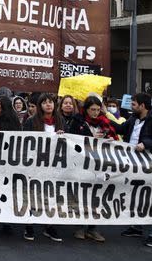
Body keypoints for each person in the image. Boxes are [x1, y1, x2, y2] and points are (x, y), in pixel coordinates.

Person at [120, 93, 152, 247]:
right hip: (135, 165)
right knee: (137, 196)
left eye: (134, 104)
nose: (131, 106)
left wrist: (146, 144)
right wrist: (102, 115)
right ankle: (137, 227)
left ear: (142, 106)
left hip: (151, 166)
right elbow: (120, 129)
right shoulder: (134, 119)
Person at [69, 96, 120, 243]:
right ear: (86, 109)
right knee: (82, 195)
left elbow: (115, 138)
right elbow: (72, 140)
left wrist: (109, 140)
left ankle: (92, 228)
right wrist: (91, 137)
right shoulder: (78, 121)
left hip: (100, 166)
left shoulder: (105, 123)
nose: (95, 113)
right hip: (82, 165)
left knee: (96, 196)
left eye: (98, 110)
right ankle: (80, 226)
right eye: (92, 109)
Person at [22, 93, 63, 242]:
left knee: (50, 195)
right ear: (40, 106)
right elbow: (24, 142)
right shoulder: (31, 122)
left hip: (53, 165)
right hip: (35, 165)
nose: (48, 105)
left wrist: (62, 136)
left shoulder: (60, 121)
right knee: (33, 194)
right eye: (45, 102)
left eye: (50, 102)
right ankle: (29, 224)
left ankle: (49, 225)